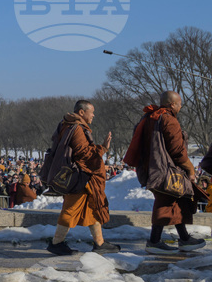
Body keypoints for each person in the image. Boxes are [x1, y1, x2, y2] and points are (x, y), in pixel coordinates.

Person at [124, 91, 205, 255]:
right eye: (179, 102)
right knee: (165, 204)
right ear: (171, 104)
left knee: (175, 202)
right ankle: (154, 242)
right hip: (165, 172)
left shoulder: (148, 117)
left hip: (150, 169)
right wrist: (190, 169)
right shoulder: (168, 119)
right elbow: (178, 151)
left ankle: (184, 239)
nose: (181, 106)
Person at [46, 100, 119, 255]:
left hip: (81, 177)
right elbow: (84, 154)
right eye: (91, 112)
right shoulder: (77, 128)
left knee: (91, 208)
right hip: (79, 177)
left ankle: (100, 243)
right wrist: (103, 148)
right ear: (81, 112)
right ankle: (56, 243)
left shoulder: (67, 125)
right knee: (70, 209)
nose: (93, 115)